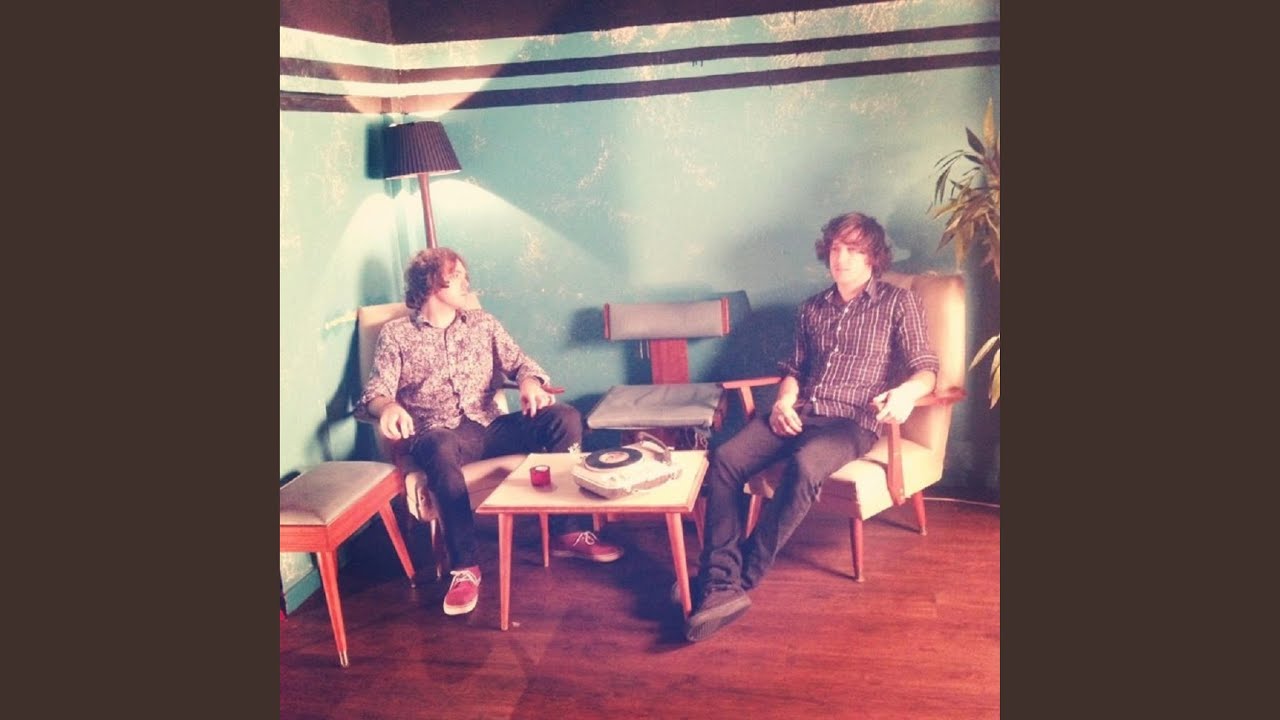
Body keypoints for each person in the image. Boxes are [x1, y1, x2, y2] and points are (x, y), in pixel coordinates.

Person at [683, 212, 939, 642]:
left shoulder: (899, 302)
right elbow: (794, 370)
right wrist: (783, 401)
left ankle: (737, 578)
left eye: (854, 249)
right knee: (724, 459)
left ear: (873, 256)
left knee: (805, 465)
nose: (842, 258)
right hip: (800, 411)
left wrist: (906, 394)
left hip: (852, 421)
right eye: (836, 248)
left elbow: (926, 367)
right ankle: (719, 577)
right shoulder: (812, 308)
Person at [355, 247, 624, 617]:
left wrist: (529, 383)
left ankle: (568, 531)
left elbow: (522, 363)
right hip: (440, 434)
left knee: (565, 418)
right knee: (438, 445)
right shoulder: (396, 335)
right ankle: (465, 568)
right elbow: (375, 392)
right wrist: (387, 407)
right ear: (432, 283)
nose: (467, 283)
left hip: (491, 426)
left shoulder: (483, 323)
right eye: (457, 276)